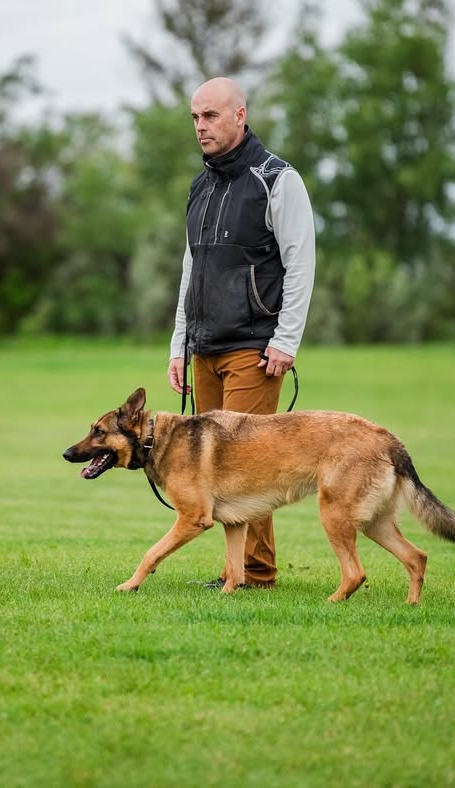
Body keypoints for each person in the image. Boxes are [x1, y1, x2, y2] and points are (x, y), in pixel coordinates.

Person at [167, 76, 316, 589]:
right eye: (194, 117)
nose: (200, 127)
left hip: (255, 348)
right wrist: (179, 345)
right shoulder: (200, 186)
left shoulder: (277, 179)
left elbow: (301, 263)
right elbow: (192, 267)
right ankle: (236, 575)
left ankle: (257, 574)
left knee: (249, 469)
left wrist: (286, 340)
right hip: (204, 347)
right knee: (217, 472)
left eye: (209, 116)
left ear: (240, 114)